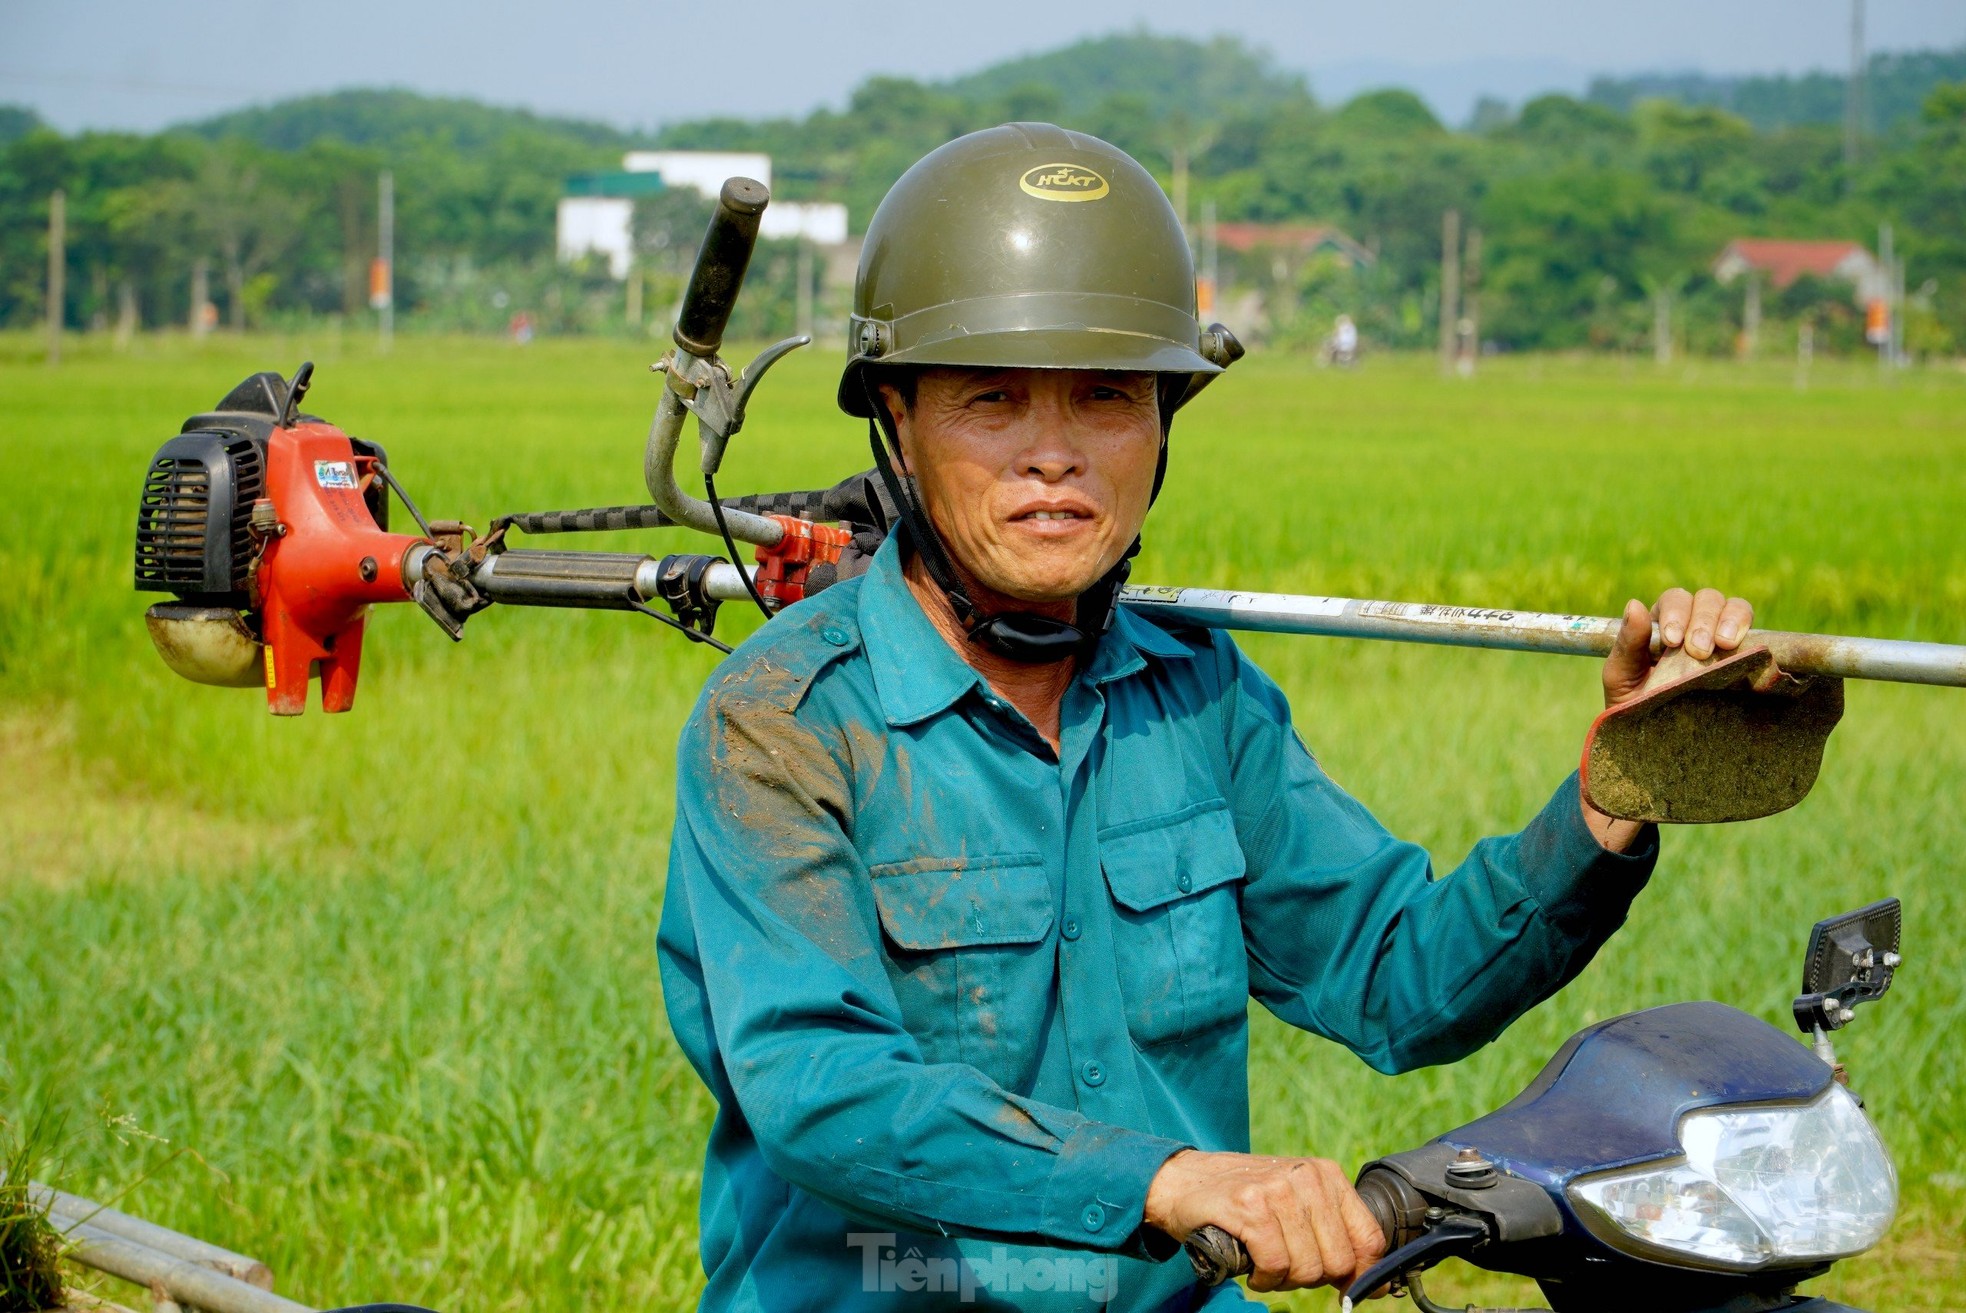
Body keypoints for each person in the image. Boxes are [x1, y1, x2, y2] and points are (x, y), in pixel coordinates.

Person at [657, 123, 1753, 1312]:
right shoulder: (780, 722)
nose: (1054, 455)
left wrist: (1612, 793)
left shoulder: (1200, 692)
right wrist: (1166, 1180)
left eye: (1107, 397)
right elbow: (821, 1085)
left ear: (1163, 425)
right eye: (990, 399)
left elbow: (1395, 976)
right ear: (897, 421)